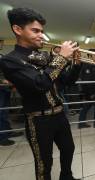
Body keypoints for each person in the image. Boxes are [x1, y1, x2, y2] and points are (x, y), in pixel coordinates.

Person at [0, 8, 81, 180]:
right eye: (35, 31)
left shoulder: (45, 56)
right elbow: (40, 84)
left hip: (60, 114)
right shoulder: (10, 60)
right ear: (18, 29)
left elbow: (67, 81)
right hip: (38, 120)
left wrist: (76, 63)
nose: (41, 36)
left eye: (42, 32)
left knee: (69, 149)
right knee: (44, 162)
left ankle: (66, 177)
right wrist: (61, 58)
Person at [78, 49, 95, 128]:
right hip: (91, 92)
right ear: (90, 56)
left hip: (94, 91)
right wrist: (91, 94)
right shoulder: (87, 66)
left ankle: (82, 123)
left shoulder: (93, 65)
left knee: (88, 107)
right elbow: (87, 81)